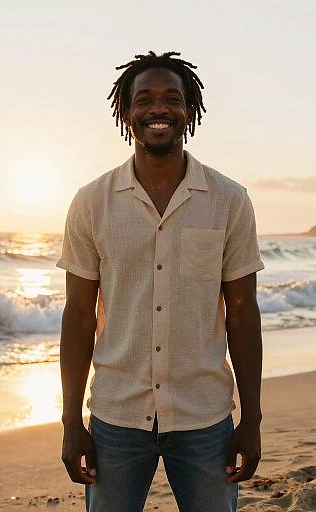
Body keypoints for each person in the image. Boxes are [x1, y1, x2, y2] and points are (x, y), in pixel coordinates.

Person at [57, 50, 265, 512]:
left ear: (189, 110)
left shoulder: (229, 200)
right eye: (144, 99)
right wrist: (72, 420)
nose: (158, 109)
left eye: (172, 98)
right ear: (126, 112)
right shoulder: (92, 202)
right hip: (116, 416)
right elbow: (77, 314)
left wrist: (251, 418)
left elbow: (243, 313)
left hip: (205, 417)